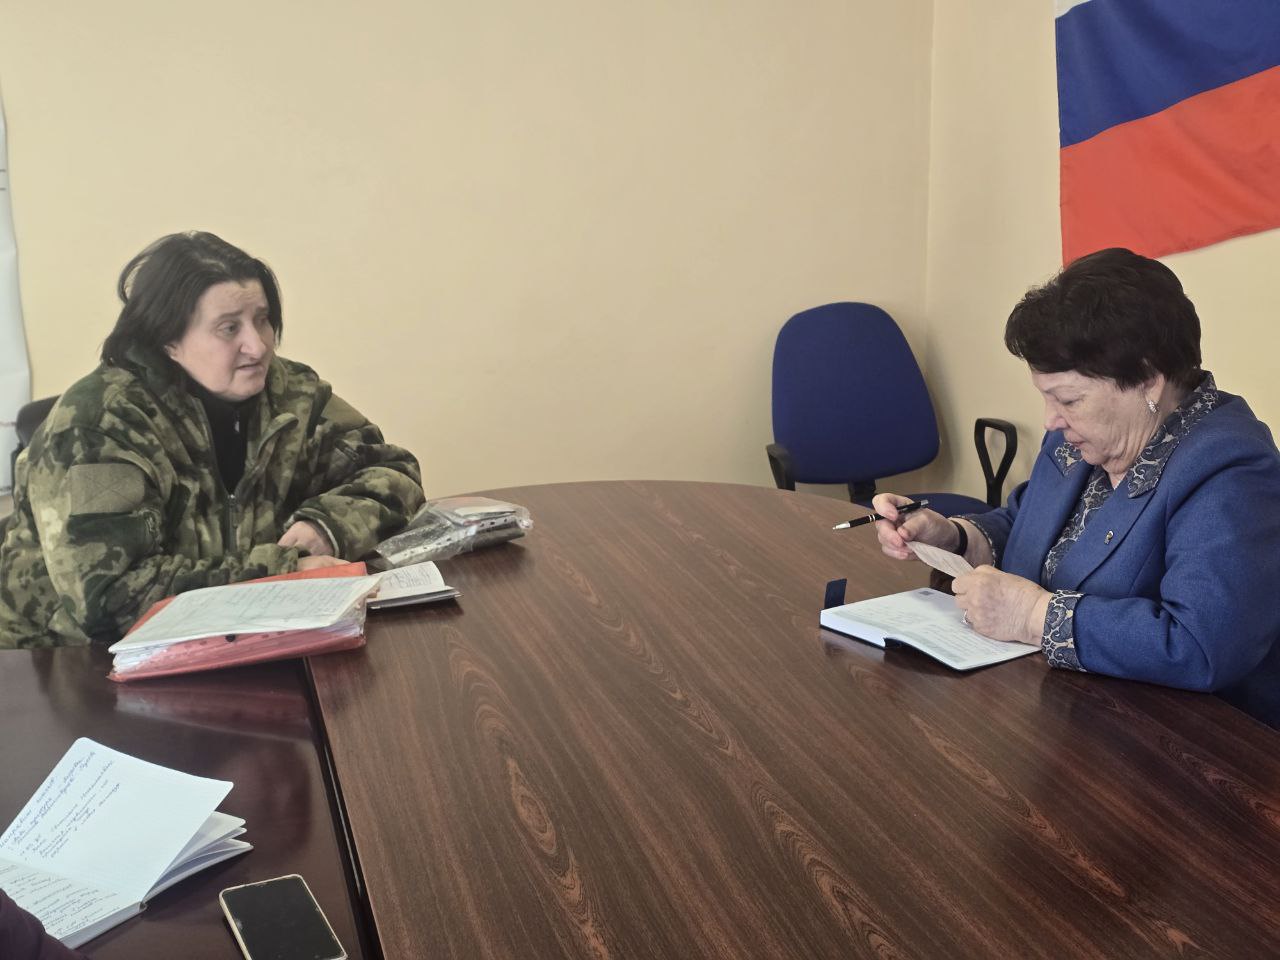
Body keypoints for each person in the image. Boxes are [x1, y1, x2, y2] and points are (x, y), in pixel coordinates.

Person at [873, 248, 1280, 727]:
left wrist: (1034, 617)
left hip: (1177, 743)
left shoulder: (1231, 471)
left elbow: (1200, 646)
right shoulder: (1084, 438)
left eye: (1068, 399)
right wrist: (956, 537)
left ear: (1148, 380)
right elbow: (1027, 524)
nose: (1051, 420)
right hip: (1054, 709)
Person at [0, 231, 425, 647]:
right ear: (167, 340)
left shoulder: (291, 392)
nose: (257, 346)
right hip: (65, 662)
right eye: (228, 328)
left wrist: (327, 526)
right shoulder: (98, 425)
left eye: (262, 320)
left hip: (245, 637)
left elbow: (394, 471)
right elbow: (110, 599)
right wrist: (281, 573)